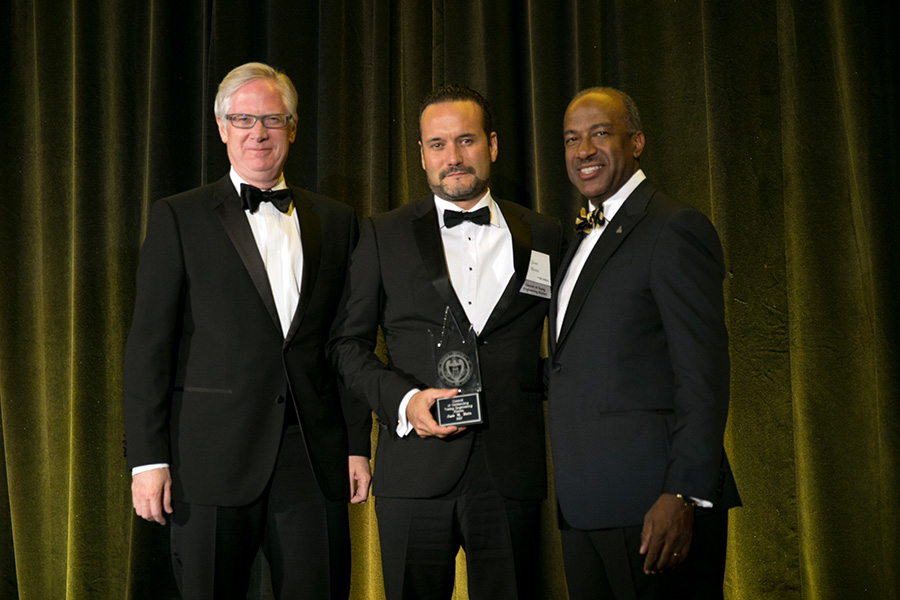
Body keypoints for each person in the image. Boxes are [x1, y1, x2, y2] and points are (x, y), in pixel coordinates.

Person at [123, 62, 371, 600]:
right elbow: (149, 348)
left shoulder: (338, 220)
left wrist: (357, 445)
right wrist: (148, 458)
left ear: (293, 127)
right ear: (221, 128)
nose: (258, 132)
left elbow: (346, 342)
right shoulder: (178, 217)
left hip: (311, 459)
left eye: (272, 120)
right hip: (208, 462)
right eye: (243, 119)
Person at [327, 85, 563, 599]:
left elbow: (570, 346)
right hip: (414, 472)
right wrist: (405, 403)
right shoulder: (383, 234)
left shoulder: (545, 235)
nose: (452, 158)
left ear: (493, 145)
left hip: (511, 473)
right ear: (421, 154)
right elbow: (347, 346)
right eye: (437, 145)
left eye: (465, 140)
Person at [547, 87, 740, 599]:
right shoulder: (578, 239)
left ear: (637, 142)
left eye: (600, 133)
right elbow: (578, 365)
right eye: (571, 138)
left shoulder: (673, 227)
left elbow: (704, 375)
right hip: (585, 509)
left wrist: (684, 495)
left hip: (653, 510)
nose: (583, 149)